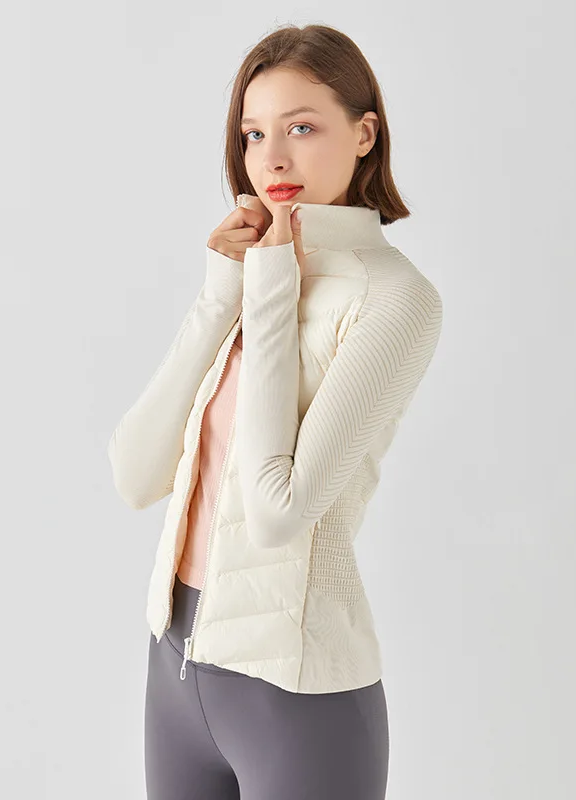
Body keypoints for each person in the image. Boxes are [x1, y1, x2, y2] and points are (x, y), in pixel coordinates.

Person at [107, 22, 444, 800]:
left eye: (302, 127)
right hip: (175, 664)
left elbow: (276, 512)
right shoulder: (253, 273)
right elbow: (134, 475)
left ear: (365, 134)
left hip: (296, 695)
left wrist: (268, 291)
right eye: (254, 134)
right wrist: (218, 296)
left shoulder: (394, 299)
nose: (273, 159)